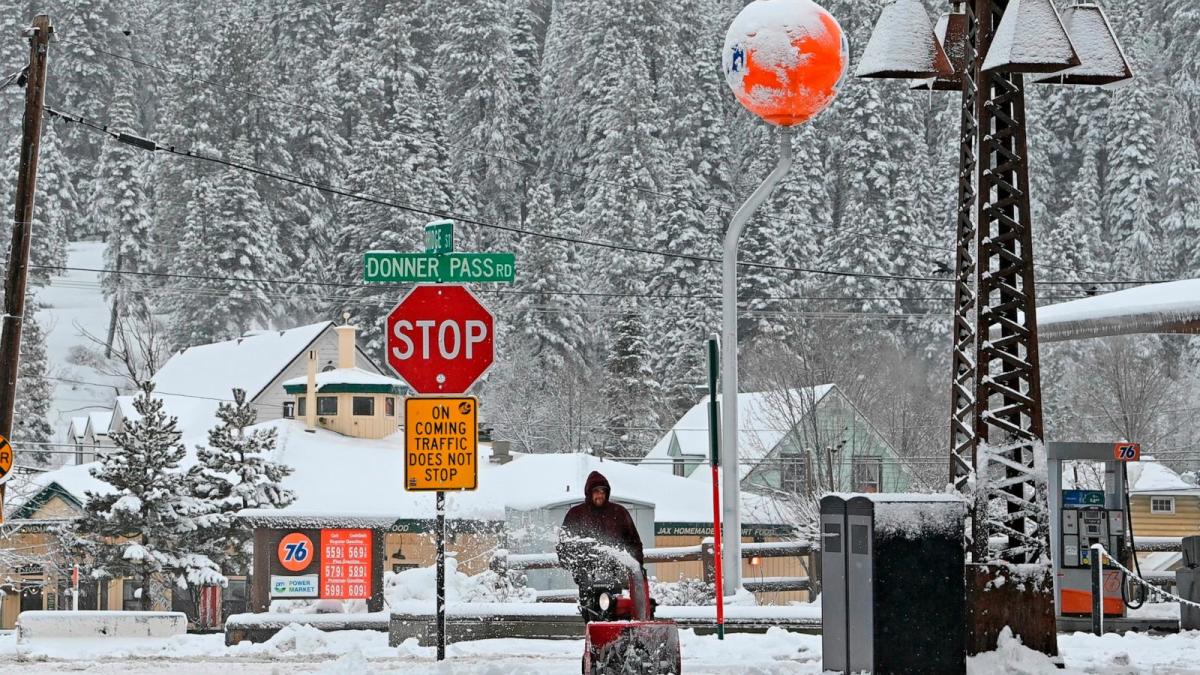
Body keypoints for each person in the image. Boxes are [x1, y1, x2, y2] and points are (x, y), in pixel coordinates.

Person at [556, 471, 645, 612]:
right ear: (589, 493)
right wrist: (578, 570)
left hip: (614, 576)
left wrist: (637, 566)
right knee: (591, 617)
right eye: (596, 491)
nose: (600, 495)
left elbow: (634, 542)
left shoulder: (619, 513)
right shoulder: (576, 515)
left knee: (615, 614)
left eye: (603, 491)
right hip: (587, 578)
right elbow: (564, 547)